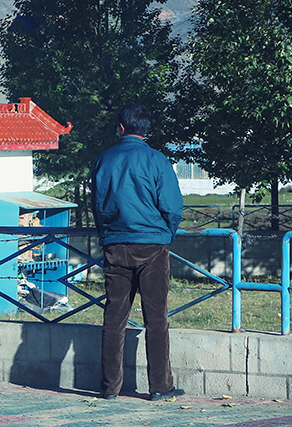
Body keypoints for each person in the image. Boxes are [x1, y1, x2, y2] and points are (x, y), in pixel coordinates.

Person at [91, 103, 184, 401]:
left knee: (114, 316)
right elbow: (172, 206)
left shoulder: (104, 160)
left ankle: (110, 387)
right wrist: (165, 234)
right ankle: (160, 386)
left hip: (115, 244)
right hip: (153, 246)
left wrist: (107, 234)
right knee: (156, 318)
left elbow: (98, 205)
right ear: (146, 130)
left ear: (120, 127)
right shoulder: (157, 160)